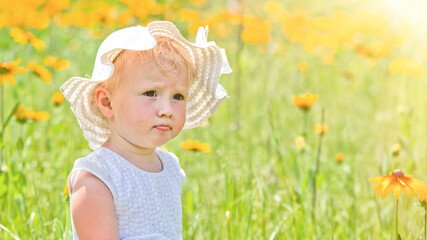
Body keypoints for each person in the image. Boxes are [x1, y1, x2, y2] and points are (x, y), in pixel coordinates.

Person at [60, 21, 232, 240]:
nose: (168, 110)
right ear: (107, 102)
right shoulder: (96, 178)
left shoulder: (170, 168)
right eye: (151, 93)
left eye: (178, 96)